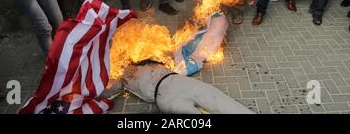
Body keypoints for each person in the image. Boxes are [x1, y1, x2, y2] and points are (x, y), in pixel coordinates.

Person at [103, 60, 255, 114]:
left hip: (178, 82)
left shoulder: (148, 62)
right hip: (164, 98)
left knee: (219, 101)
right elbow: (105, 89)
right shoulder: (122, 80)